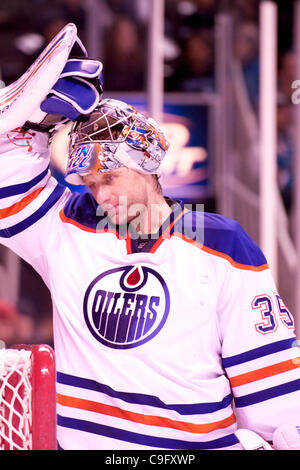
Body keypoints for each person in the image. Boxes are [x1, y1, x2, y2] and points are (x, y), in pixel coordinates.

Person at [1, 24, 300, 451]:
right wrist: (36, 124)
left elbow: (272, 386)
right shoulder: (64, 227)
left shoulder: (221, 243)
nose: (100, 195)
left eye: (110, 177)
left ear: (148, 164)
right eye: (88, 182)